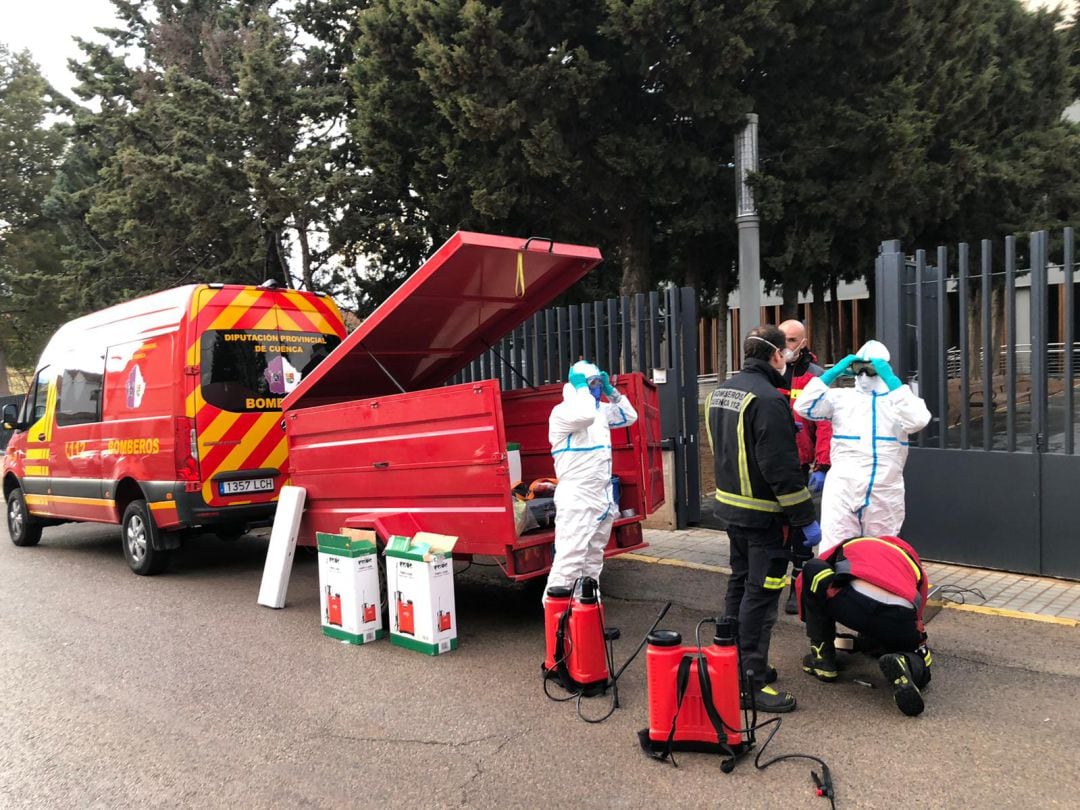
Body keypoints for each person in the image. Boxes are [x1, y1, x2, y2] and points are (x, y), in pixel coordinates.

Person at [705, 325, 820, 713]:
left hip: (731, 510)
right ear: (774, 355)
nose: (788, 357)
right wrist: (805, 518)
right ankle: (749, 680)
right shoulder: (769, 399)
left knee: (739, 586)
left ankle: (732, 665)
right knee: (763, 595)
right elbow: (781, 470)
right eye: (784, 351)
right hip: (764, 518)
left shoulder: (723, 390)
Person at [793, 340, 931, 555]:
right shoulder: (841, 398)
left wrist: (893, 382)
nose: (865, 376)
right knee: (834, 550)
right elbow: (804, 406)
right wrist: (832, 374)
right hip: (843, 490)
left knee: (881, 553)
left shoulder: (898, 401)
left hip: (884, 490)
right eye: (860, 369)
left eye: (871, 369)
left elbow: (919, 420)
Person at [797, 534, 933, 717]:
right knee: (914, 656)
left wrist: (811, 618)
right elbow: (918, 617)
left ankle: (823, 659)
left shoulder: (850, 545)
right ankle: (905, 662)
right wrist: (915, 647)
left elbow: (804, 582)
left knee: (814, 569)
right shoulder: (914, 566)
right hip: (899, 614)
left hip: (851, 604)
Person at [543, 360, 638, 596]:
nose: (596, 388)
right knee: (569, 563)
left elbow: (629, 416)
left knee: (593, 561)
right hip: (577, 497)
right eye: (592, 384)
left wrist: (611, 391)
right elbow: (585, 415)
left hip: (601, 496)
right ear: (578, 386)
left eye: (598, 383)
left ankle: (587, 617)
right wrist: (582, 387)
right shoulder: (563, 413)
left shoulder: (599, 410)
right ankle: (558, 624)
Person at [777, 320, 832, 615]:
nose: (787, 346)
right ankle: (772, 583)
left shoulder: (816, 377)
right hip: (773, 463)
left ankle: (796, 589)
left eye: (793, 339)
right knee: (776, 528)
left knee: (800, 530)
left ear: (805, 340)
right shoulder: (774, 372)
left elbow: (825, 425)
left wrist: (822, 464)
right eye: (783, 339)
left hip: (800, 464)